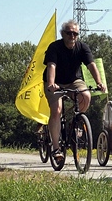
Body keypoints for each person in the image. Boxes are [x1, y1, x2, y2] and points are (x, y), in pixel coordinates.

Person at [43, 19, 107, 161]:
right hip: (54, 82)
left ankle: (75, 123)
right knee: (57, 110)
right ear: (63, 34)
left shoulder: (82, 47)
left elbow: (91, 65)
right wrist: (52, 83)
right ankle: (56, 149)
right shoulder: (55, 47)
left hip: (73, 80)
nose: (72, 36)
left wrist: (99, 82)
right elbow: (51, 66)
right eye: (69, 33)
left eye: (75, 34)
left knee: (86, 96)